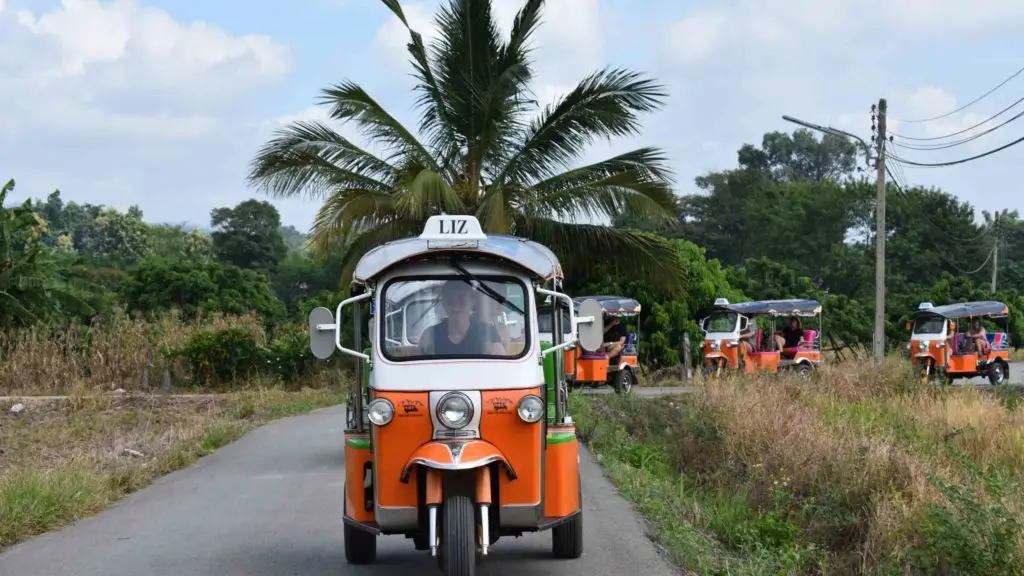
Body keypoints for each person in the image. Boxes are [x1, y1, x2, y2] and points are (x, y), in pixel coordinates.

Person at [417, 280, 506, 356]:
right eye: (450, 300)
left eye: (462, 299)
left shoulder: (488, 333)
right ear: (443, 303)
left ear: (472, 302)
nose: (456, 306)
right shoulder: (430, 336)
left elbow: (501, 368)